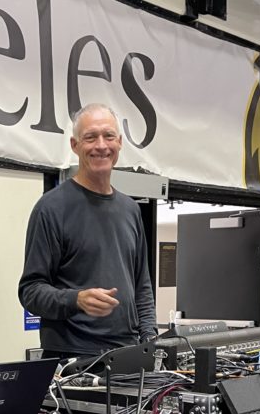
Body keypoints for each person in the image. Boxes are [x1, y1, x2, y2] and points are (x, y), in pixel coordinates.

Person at [18, 103, 158, 361]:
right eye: (90, 137)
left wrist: (150, 340)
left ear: (120, 143)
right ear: (75, 145)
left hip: (128, 353)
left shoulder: (130, 209)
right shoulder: (51, 208)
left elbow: (142, 285)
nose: (101, 145)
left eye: (108, 136)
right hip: (72, 358)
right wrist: (76, 299)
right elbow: (30, 291)